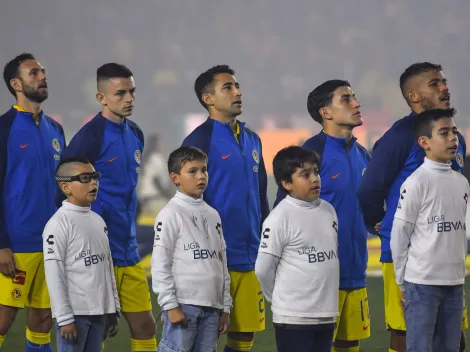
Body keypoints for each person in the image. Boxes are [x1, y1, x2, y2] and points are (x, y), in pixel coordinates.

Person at [357, 62, 467, 352]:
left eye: (443, 81)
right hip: (405, 256)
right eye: (434, 83)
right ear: (413, 96)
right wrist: (379, 223)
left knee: (454, 335)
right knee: (405, 334)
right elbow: (370, 189)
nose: (444, 87)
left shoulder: (457, 140)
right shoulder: (398, 137)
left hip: (447, 257)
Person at [60, 63, 157, 351]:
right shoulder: (91, 135)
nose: (129, 99)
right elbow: (63, 184)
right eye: (120, 93)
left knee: (145, 326)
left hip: (127, 249)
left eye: (132, 92)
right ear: (101, 97)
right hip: (96, 252)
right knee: (96, 330)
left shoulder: (135, 133)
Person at [274, 80, 371, 352]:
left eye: (354, 97)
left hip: (356, 271)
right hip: (317, 277)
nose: (356, 103)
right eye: (346, 99)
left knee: (349, 344)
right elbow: (284, 212)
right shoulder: (311, 154)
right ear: (325, 113)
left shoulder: (364, 154)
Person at [182, 65, 269, 352]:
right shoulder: (199, 141)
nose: (238, 92)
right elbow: (187, 202)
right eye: (228, 87)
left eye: (237, 86)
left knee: (244, 336)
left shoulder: (253, 139)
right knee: (203, 337)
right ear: (208, 98)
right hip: (213, 260)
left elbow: (260, 196)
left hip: (250, 255)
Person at [0, 53, 66, 352]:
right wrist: (1, 243)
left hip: (51, 244)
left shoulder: (56, 129)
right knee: (3, 319)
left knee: (42, 320)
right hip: (16, 244)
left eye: (43, 71)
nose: (42, 76)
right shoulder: (4, 128)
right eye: (33, 72)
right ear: (16, 84)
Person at [390, 108, 467, 351]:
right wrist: (403, 282)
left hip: (455, 283)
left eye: (454, 131)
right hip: (422, 284)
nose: (452, 138)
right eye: (443, 133)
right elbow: (399, 234)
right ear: (424, 142)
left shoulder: (461, 182)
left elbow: (463, 231)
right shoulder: (416, 182)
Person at [256, 146, 339, 352]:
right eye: (305, 175)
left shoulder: (329, 210)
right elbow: (263, 269)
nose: (314, 179)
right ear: (286, 184)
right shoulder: (279, 218)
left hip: (326, 313)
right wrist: (278, 299)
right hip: (294, 317)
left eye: (316, 172)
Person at [151, 146, 232, 352]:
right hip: (184, 304)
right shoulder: (170, 213)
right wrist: (170, 305)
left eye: (204, 170)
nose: (201, 176)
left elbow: (221, 263)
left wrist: (225, 307)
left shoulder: (213, 215)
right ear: (175, 177)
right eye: (192, 171)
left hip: (212, 307)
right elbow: (160, 263)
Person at [44, 157, 120, 352]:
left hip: (99, 313)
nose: (93, 182)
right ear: (65, 187)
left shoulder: (98, 221)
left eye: (95, 177)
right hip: (75, 315)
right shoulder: (58, 224)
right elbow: (54, 275)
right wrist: (64, 317)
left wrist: (112, 309)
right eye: (85, 178)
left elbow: (106, 267)